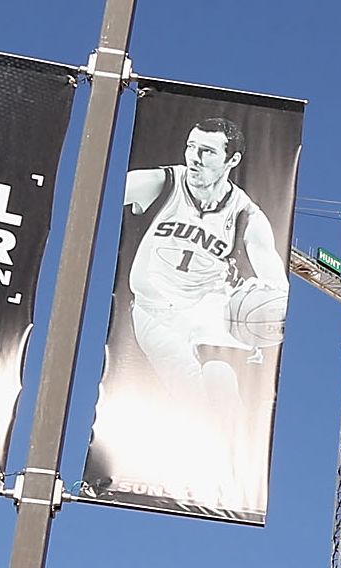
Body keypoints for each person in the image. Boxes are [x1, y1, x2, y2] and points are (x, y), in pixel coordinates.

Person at [115, 116, 284, 440]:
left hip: (208, 304)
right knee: (193, 396)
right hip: (154, 312)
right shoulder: (163, 183)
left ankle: (241, 442)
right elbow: (99, 188)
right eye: (191, 147)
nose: (194, 156)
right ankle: (217, 443)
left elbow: (276, 282)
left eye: (207, 151)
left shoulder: (247, 215)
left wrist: (273, 312)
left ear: (231, 160)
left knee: (221, 372)